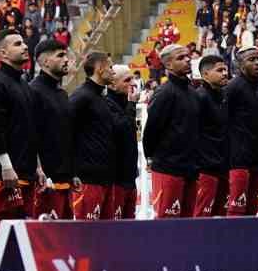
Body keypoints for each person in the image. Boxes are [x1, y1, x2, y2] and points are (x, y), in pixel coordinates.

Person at [0, 30, 35, 266]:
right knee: (1, 227)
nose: (24, 46)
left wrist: (39, 167)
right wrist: (6, 165)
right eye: (17, 44)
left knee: (22, 230)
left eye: (24, 42)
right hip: (6, 172)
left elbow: (28, 130)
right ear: (2, 53)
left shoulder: (23, 83)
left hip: (26, 170)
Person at [143, 44, 200, 218]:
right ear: (168, 65)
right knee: (166, 223)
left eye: (188, 56)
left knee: (188, 223)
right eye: (181, 58)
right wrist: (150, 157)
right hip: (168, 168)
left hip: (191, 168)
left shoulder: (193, 92)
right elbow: (151, 130)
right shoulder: (164, 93)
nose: (187, 60)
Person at [68, 52, 119, 220]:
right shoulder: (81, 97)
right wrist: (73, 171)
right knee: (86, 236)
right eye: (110, 67)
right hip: (87, 179)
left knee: (106, 236)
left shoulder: (101, 98)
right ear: (99, 68)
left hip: (106, 178)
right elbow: (65, 132)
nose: (113, 72)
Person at [29, 40, 74, 220]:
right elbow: (31, 135)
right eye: (60, 55)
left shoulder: (62, 93)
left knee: (65, 241)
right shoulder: (33, 91)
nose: (66, 60)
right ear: (45, 62)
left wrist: (73, 173)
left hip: (64, 179)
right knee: (42, 241)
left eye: (66, 55)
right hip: (44, 181)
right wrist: (38, 167)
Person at [224, 47, 258, 215]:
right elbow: (222, 121)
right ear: (240, 66)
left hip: (256, 160)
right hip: (237, 161)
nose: (257, 62)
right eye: (251, 60)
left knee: (252, 212)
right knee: (236, 211)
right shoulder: (233, 87)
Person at [193, 54, 231, 217]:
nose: (224, 73)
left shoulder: (223, 96)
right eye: (219, 70)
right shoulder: (199, 97)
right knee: (201, 218)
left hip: (223, 168)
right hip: (205, 170)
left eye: (225, 70)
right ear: (205, 74)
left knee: (221, 218)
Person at [107, 65, 140, 219]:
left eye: (133, 78)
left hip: (130, 176)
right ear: (112, 84)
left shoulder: (126, 103)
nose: (133, 83)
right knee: (115, 225)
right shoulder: (107, 104)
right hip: (115, 178)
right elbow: (122, 129)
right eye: (127, 80)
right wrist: (132, 105)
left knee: (130, 224)